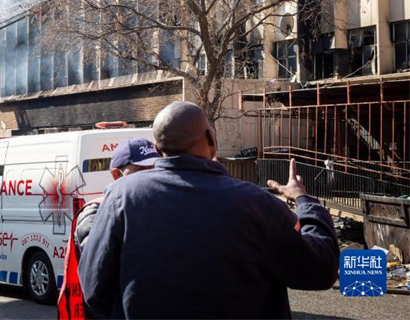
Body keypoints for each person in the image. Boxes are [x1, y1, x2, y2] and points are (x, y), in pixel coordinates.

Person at [79, 101, 339, 319]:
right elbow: (319, 269)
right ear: (212, 140)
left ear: (158, 150)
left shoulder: (121, 197)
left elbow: (93, 290)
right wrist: (305, 201)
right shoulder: (257, 205)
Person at [57, 138, 160, 319]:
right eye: (141, 171)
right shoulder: (95, 212)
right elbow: (96, 283)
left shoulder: (158, 208)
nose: (149, 177)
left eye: (154, 169)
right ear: (116, 175)